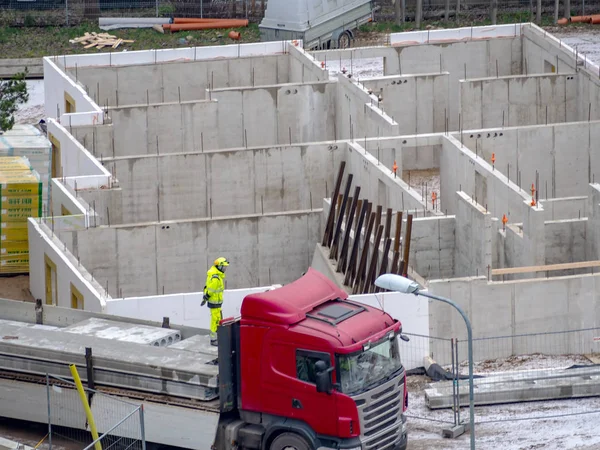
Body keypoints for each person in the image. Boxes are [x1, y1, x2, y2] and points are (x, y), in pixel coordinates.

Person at [201, 257, 229, 346]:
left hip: (216, 303)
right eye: (224, 267)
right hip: (214, 303)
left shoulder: (215, 275)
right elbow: (211, 290)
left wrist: (205, 298)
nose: (225, 269)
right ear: (219, 267)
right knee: (215, 321)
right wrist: (205, 298)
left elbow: (207, 288)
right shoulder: (216, 278)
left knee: (217, 319)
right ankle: (213, 339)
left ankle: (217, 337)